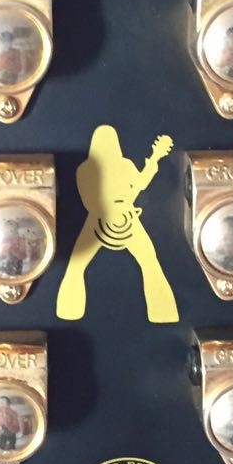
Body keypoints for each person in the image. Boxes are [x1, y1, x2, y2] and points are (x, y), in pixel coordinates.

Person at [56, 125, 179, 323]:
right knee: (150, 263)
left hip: (104, 219)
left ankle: (68, 312)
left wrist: (155, 158)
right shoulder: (118, 166)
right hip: (121, 217)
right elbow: (139, 185)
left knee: (77, 266)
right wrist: (120, 206)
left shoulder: (85, 169)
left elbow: (90, 201)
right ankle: (163, 313)